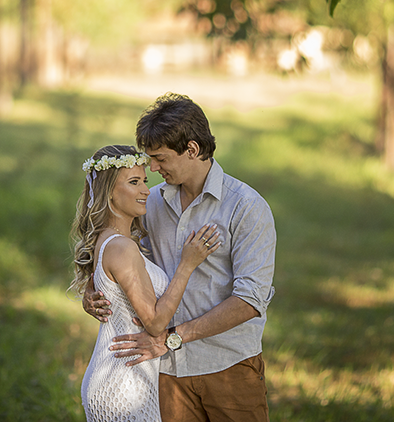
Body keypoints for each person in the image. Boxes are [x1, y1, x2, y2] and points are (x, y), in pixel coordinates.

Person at [84, 94, 277, 422]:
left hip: (228, 366)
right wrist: (94, 289)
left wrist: (174, 337)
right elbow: (117, 252)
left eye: (159, 158)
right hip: (166, 373)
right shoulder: (151, 202)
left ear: (192, 149)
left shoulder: (245, 207)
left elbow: (250, 300)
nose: (153, 168)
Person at [71, 144, 222, 422]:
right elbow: (153, 323)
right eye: (133, 182)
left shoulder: (111, 239)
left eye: (144, 181)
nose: (145, 190)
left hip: (126, 375)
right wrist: (187, 265)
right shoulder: (121, 248)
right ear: (109, 194)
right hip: (123, 384)